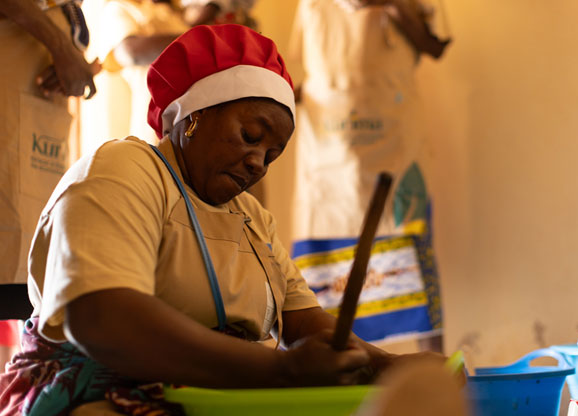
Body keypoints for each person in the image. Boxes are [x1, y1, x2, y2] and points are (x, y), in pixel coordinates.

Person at [0, 24, 454, 415]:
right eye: (250, 136)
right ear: (192, 115)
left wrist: (388, 366)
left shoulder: (252, 217)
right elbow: (103, 318)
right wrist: (281, 370)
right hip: (100, 399)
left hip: (215, 396)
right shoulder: (124, 168)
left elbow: (302, 323)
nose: (259, 162)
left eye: (273, 155)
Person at [288, 0, 450, 352]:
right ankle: (324, 381)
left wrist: (389, 3)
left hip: (392, 137)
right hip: (326, 145)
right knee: (319, 280)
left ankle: (436, 384)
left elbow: (435, 46)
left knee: (410, 248)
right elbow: (311, 63)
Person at [0, 0, 98, 285]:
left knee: (33, 237)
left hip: (40, 85)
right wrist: (60, 46)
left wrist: (71, 56)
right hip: (10, 71)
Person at [98, 0, 190, 144]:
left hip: (188, 121)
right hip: (155, 125)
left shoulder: (175, 13)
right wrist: (196, 40)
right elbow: (131, 52)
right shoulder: (121, 8)